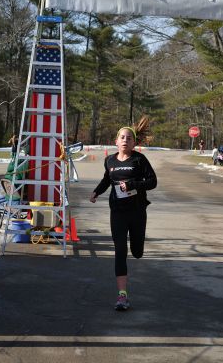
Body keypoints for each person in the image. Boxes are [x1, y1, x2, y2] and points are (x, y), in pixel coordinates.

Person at [90, 117, 157, 311]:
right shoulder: (109, 160)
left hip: (137, 212)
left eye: (129, 138)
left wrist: (133, 185)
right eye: (122, 137)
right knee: (120, 251)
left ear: (134, 142)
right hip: (117, 212)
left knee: (136, 252)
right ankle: (122, 296)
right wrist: (96, 192)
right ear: (116, 141)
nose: (125, 140)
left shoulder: (139, 160)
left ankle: (138, 246)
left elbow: (152, 182)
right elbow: (106, 180)